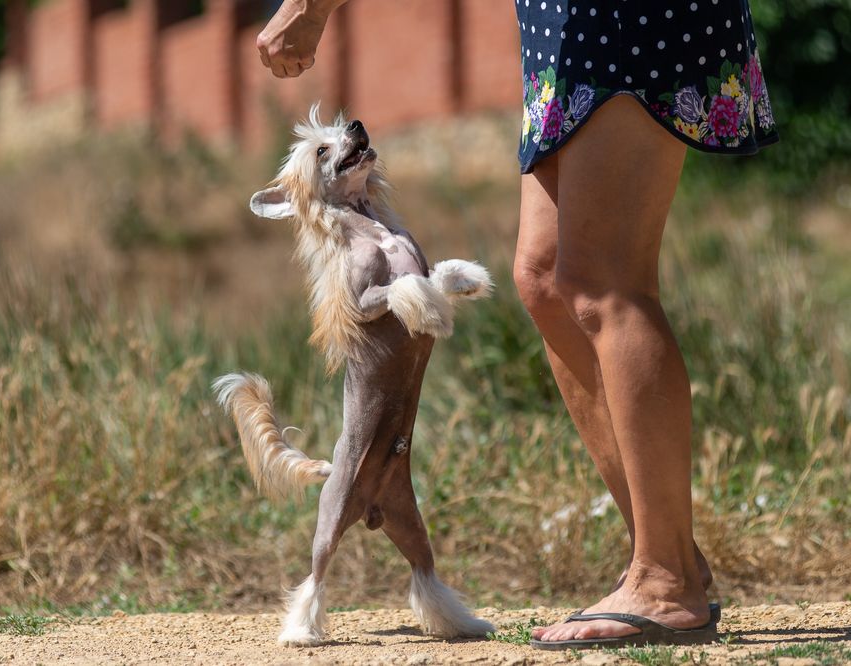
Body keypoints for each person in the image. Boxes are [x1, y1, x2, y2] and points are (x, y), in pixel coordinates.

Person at [255, 0, 778, 649]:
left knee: (606, 281)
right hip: (564, 30)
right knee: (545, 278)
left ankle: (666, 579)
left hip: (617, 21)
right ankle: (665, 547)